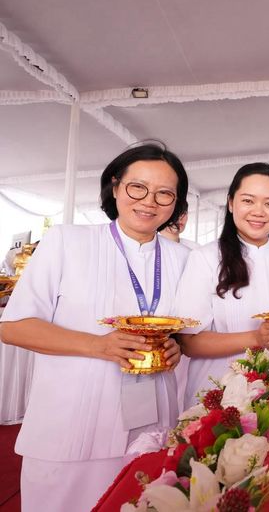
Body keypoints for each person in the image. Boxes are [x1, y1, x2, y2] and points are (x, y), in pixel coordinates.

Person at [0, 142, 190, 511]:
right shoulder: (67, 241)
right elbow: (14, 326)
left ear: (176, 203)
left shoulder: (184, 259)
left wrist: (175, 346)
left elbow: (182, 329)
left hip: (153, 418)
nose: (149, 201)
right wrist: (97, 345)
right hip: (72, 421)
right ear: (115, 186)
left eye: (164, 193)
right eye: (138, 187)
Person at [173, 163, 269, 406]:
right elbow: (189, 342)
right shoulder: (204, 258)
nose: (259, 211)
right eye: (248, 201)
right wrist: (257, 337)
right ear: (230, 203)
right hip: (216, 391)